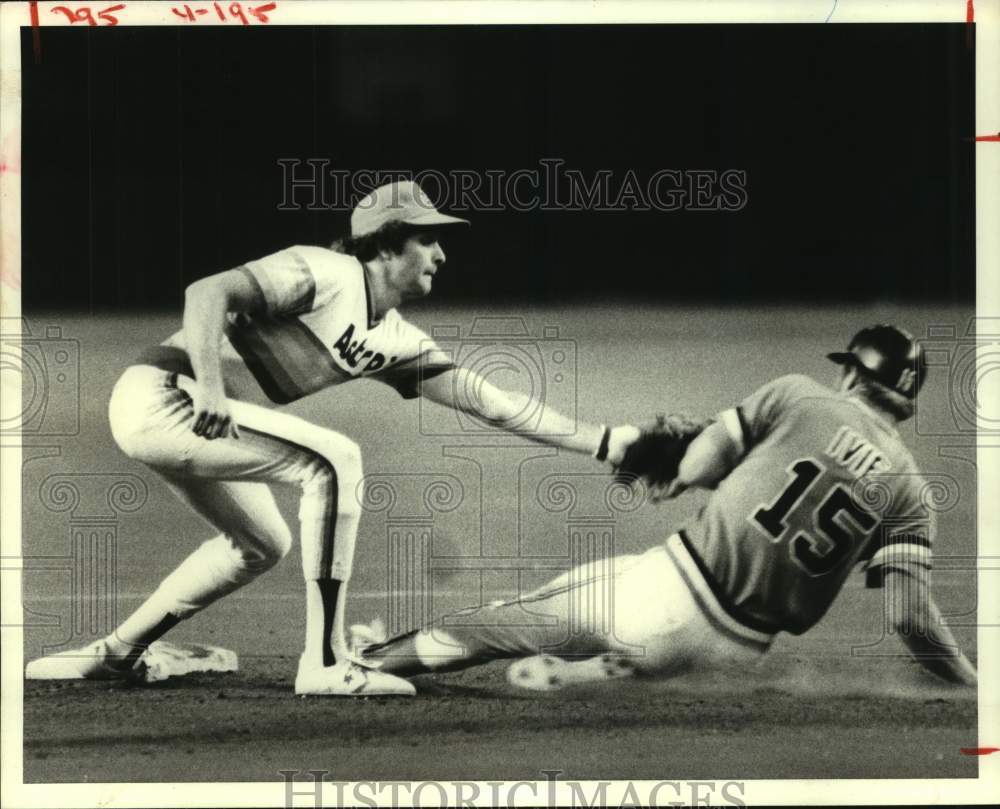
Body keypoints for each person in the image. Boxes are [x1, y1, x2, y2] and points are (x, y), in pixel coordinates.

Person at [25, 181, 638, 696]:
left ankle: (116, 652)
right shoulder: (328, 271)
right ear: (386, 242)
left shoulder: (395, 337)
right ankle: (325, 662)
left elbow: (496, 406)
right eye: (427, 238)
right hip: (163, 397)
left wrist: (609, 444)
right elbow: (207, 291)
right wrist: (210, 388)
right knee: (335, 460)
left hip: (204, 415)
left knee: (260, 543)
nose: (441, 254)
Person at [358, 325, 978, 692]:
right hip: (738, 654)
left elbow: (700, 465)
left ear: (852, 376)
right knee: (621, 649)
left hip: (667, 592)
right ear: (906, 397)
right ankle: (600, 676)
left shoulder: (801, 395)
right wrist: (970, 687)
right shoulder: (910, 490)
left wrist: (683, 473)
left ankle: (368, 665)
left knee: (499, 624)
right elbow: (911, 619)